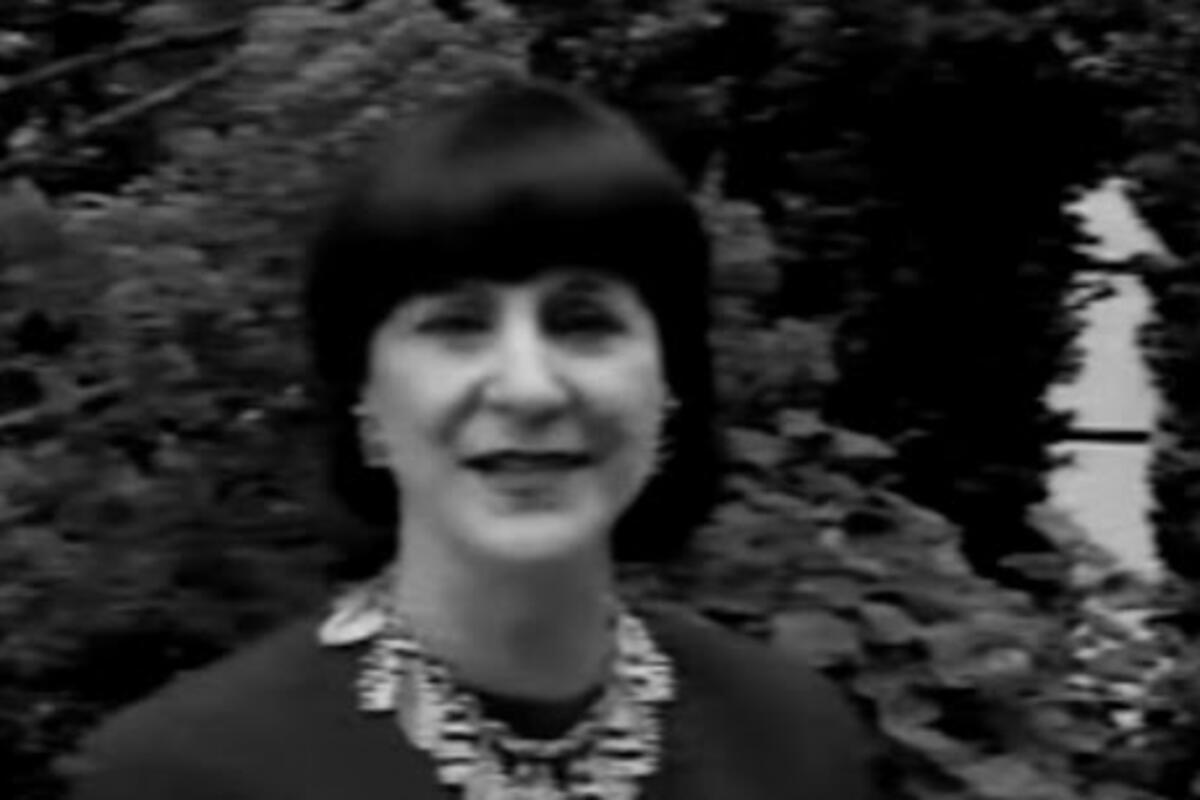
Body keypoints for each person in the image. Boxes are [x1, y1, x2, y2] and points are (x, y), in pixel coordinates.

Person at [66, 77, 880, 800]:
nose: (528, 388)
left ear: (671, 385)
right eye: (457, 324)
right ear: (364, 397)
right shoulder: (184, 776)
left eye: (583, 322)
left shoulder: (793, 740)